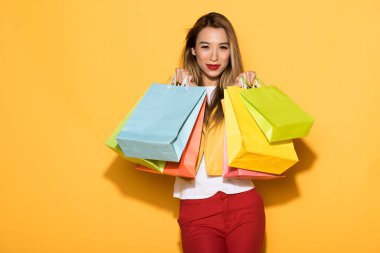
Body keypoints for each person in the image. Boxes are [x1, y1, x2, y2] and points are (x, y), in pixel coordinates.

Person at [173, 12, 266, 253]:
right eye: (205, 46)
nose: (214, 56)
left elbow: (263, 141)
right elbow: (168, 149)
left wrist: (249, 95)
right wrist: (182, 96)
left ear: (230, 52)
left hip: (244, 202)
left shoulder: (243, 90)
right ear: (193, 50)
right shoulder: (177, 91)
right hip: (196, 205)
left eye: (222, 47)